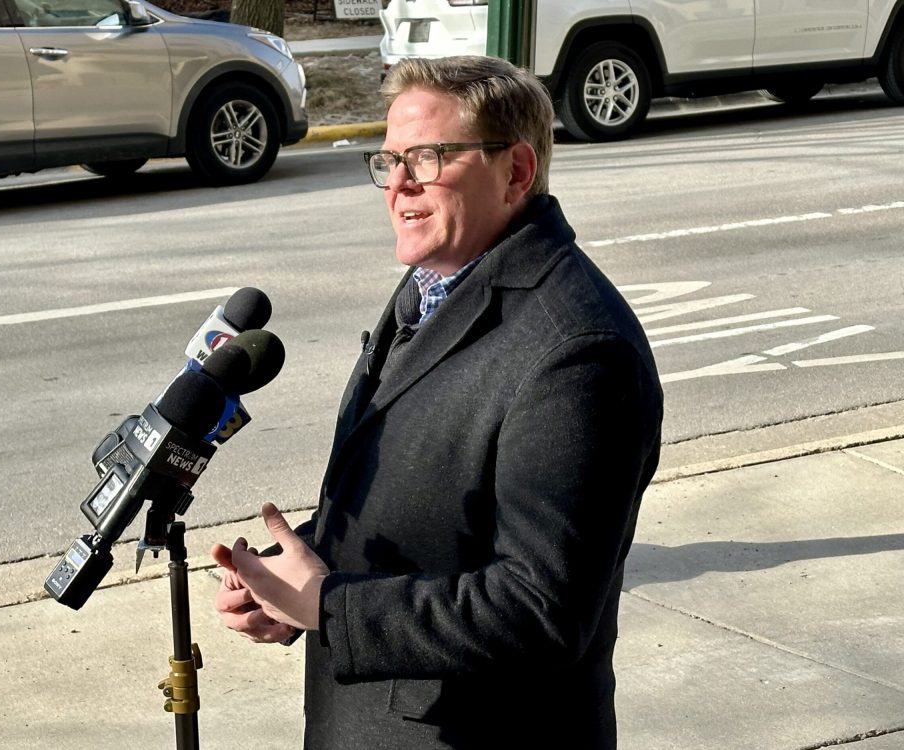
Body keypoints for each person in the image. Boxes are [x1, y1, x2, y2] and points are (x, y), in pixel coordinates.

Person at [211, 55, 664, 749]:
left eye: (428, 157)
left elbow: (541, 612)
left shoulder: (577, 352)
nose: (398, 185)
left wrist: (332, 608)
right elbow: (432, 504)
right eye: (388, 159)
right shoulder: (438, 281)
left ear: (515, 170)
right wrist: (296, 579)